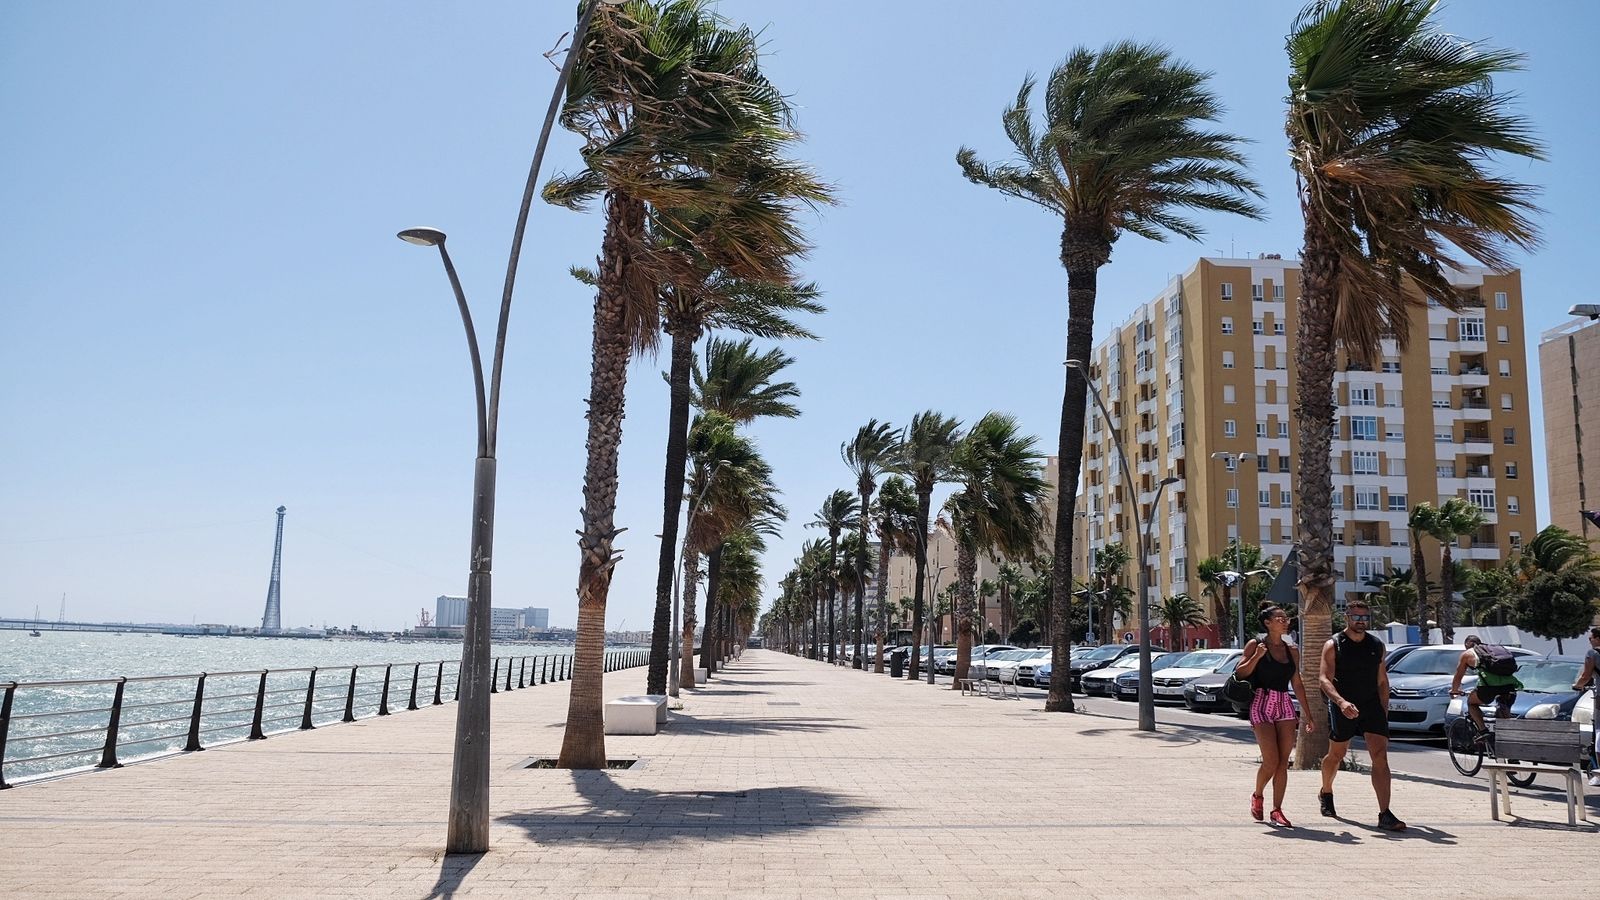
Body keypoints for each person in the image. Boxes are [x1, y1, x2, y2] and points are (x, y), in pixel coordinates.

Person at [1317, 598, 1405, 831]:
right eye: (1356, 617)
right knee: (1336, 754)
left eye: (1365, 618)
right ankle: (1326, 791)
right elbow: (1324, 679)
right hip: (1343, 704)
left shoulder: (1376, 645)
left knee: (1380, 756)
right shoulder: (1334, 644)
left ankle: (1385, 813)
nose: (1361, 621)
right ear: (1347, 617)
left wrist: (1383, 710)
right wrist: (1341, 702)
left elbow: (1382, 681)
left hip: (1371, 705)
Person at [1234, 605, 1313, 826]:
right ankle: (1258, 795)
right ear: (1267, 622)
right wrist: (1257, 657)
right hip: (1261, 703)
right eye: (1279, 618)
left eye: (1286, 618)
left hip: (1284, 704)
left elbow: (1297, 682)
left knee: (1282, 763)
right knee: (1271, 761)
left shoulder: (1292, 650)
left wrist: (1308, 714)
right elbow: (1240, 672)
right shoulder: (1256, 645)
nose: (1285, 621)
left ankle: (1277, 809)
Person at [1449, 635, 1521, 735]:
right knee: (1504, 707)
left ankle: (1483, 731)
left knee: (1471, 703)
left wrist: (1454, 690)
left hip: (1489, 688)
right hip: (1510, 686)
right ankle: (1508, 733)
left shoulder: (1468, 654)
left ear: (1467, 644)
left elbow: (1458, 675)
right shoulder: (1491, 651)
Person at [1572, 626, 1600, 788]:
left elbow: (1585, 675)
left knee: (1599, 730)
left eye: (1590, 638)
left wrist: (1577, 686)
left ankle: (1599, 771)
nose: (1589, 642)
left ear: (1597, 638)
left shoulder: (1593, 653)